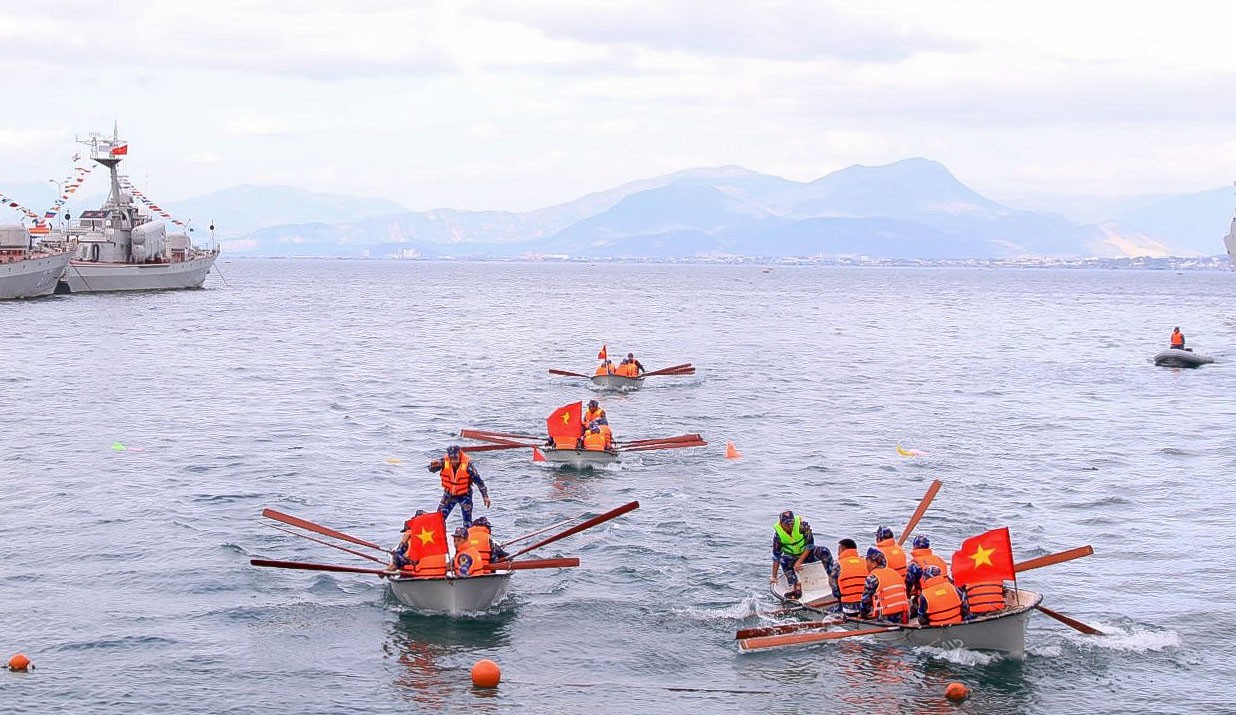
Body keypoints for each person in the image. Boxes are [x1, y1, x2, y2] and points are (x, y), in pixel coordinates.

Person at [770, 510, 835, 601]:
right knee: (783, 560)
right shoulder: (778, 536)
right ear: (781, 523)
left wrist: (800, 561)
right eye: (787, 524)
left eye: (792, 523)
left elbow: (810, 545)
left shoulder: (803, 526)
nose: (790, 526)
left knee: (824, 551)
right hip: (792, 557)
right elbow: (776, 557)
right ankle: (795, 586)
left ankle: (832, 578)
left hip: (808, 553)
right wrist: (774, 576)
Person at [428, 445, 491, 529]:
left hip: (465, 495)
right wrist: (432, 466)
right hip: (449, 494)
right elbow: (432, 470)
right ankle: (438, 538)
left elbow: (479, 481)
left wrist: (485, 496)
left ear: (460, 455)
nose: (454, 461)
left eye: (456, 458)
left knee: (467, 521)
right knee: (438, 518)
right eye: (451, 458)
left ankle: (467, 538)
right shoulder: (443, 462)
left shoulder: (468, 466)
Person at [388, 510, 449, 578]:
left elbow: (406, 556)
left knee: (397, 557)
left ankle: (386, 572)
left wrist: (403, 542)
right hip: (440, 573)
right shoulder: (438, 535)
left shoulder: (416, 538)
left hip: (419, 573)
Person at [859, 548, 910, 624]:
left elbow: (865, 601)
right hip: (905, 616)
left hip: (887, 617)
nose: (866, 563)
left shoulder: (872, 578)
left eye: (867, 560)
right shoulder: (895, 573)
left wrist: (863, 615)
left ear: (874, 563)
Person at [828, 538, 869, 614]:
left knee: (828, 611)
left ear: (843, 549)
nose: (837, 553)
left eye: (838, 550)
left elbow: (834, 587)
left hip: (849, 607)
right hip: (867, 606)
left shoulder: (838, 565)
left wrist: (840, 598)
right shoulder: (866, 562)